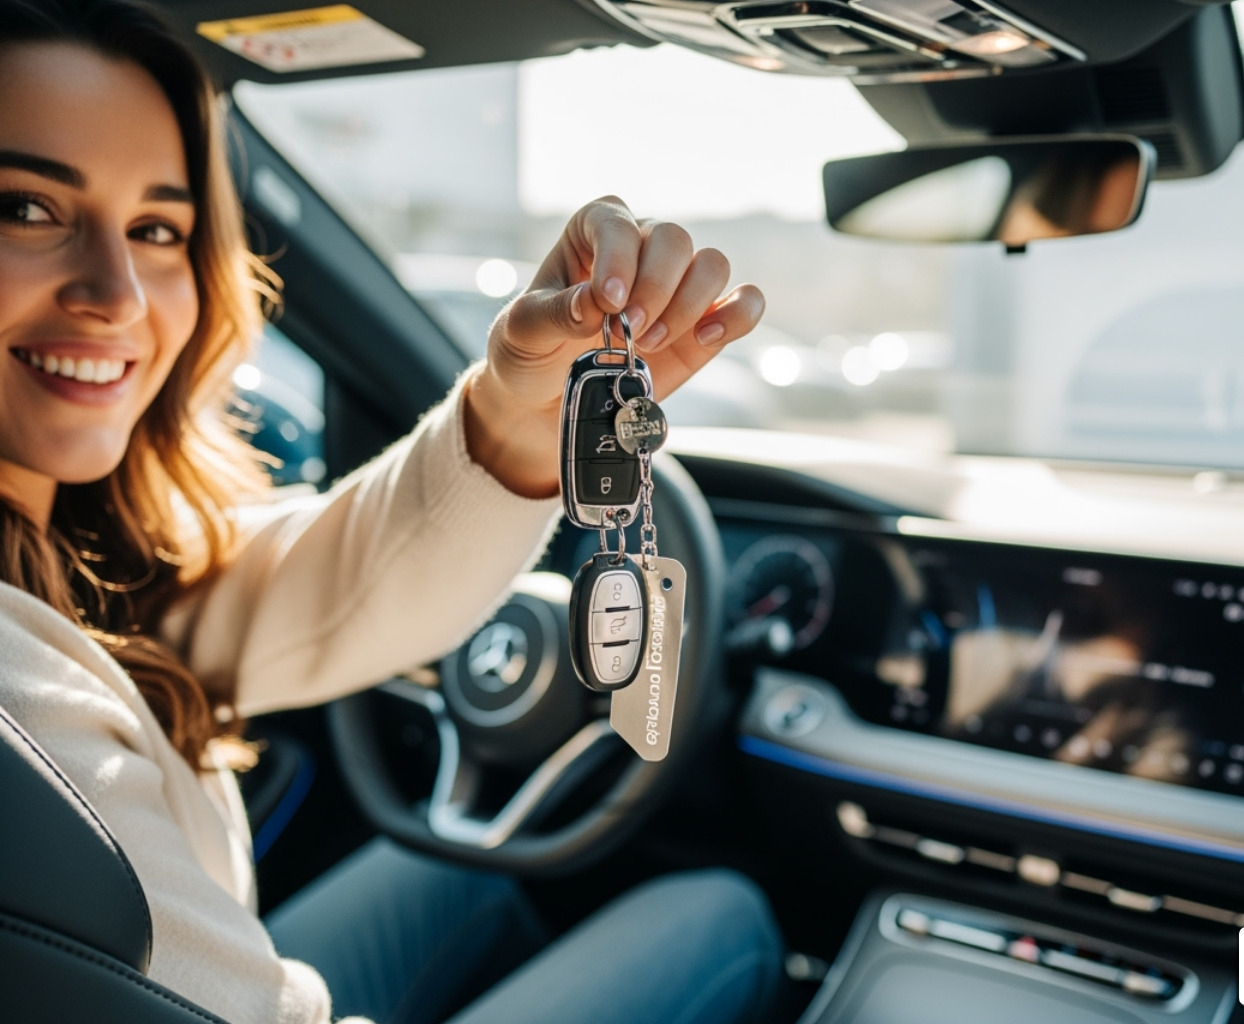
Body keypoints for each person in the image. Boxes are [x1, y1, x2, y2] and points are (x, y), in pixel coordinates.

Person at [0, 2, 782, 1023]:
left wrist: (511, 414)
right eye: (26, 209)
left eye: (158, 229)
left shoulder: (62, 551)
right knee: (718, 915)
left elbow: (299, 587)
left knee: (469, 874)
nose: (120, 295)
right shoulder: (26, 690)